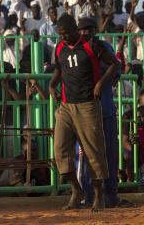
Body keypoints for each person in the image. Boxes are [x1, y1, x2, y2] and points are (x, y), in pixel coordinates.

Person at [49, 14, 121, 212]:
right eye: (59, 34)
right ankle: (76, 190)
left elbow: (116, 65)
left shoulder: (93, 46)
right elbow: (59, 68)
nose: (62, 36)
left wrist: (101, 83)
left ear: (74, 29)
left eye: (65, 33)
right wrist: (52, 86)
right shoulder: (59, 48)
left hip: (88, 105)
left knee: (93, 151)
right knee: (60, 150)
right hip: (65, 106)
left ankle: (99, 196)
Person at [76, 17, 132, 208]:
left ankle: (111, 196)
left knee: (110, 155)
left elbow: (116, 73)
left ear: (95, 31)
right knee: (86, 157)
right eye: (83, 30)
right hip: (84, 112)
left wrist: (96, 62)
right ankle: (87, 197)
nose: (86, 33)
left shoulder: (105, 47)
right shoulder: (74, 50)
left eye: (90, 29)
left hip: (106, 109)